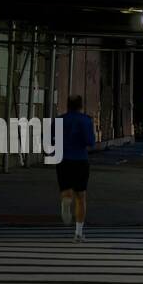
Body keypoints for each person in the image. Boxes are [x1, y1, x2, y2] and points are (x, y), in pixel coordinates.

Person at [57, 95, 96, 242]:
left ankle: (66, 200)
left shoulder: (59, 120)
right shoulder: (86, 120)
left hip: (63, 159)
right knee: (81, 197)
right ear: (81, 106)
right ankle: (78, 233)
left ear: (67, 105)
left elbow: (49, 139)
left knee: (66, 190)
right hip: (80, 159)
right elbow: (90, 141)